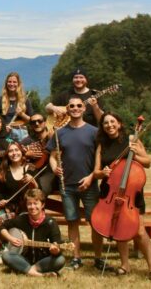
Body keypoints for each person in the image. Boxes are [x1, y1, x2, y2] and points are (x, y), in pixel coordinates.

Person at [93, 112, 151, 281]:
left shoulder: (131, 139)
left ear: (119, 123)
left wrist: (134, 153)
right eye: (105, 123)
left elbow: (147, 162)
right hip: (111, 191)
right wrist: (103, 172)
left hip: (130, 191)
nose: (109, 125)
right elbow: (97, 172)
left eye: (112, 122)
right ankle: (125, 265)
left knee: (139, 231)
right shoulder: (101, 144)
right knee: (118, 227)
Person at [46, 95, 105, 271]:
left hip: (89, 184)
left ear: (84, 108)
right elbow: (52, 156)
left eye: (79, 105)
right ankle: (76, 257)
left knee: (95, 222)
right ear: (68, 109)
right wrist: (55, 167)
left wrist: (92, 177)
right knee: (72, 221)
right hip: (67, 185)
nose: (76, 108)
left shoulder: (94, 132)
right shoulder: (59, 133)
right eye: (72, 106)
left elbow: (98, 157)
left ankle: (98, 257)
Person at [0, 189, 65, 277]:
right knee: (6, 255)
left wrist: (55, 251)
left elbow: (58, 245)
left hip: (43, 261)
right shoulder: (22, 219)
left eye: (35, 203)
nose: (32, 207)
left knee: (60, 260)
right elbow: (2, 227)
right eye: (29, 204)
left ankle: (27, 270)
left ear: (43, 205)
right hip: (24, 259)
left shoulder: (51, 223)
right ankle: (38, 274)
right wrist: (11, 238)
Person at [20, 113, 56, 196]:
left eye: (39, 121)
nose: (37, 124)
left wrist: (52, 139)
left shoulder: (54, 135)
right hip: (33, 171)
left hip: (50, 172)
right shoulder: (27, 140)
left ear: (45, 122)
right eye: (33, 122)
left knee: (41, 190)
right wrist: (26, 154)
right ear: (31, 125)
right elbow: (15, 152)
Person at [0, 72, 33, 142]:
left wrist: (22, 114)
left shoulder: (25, 100)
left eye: (14, 82)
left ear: (18, 84)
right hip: (4, 133)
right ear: (6, 83)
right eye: (9, 82)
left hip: (21, 133)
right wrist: (3, 128)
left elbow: (31, 120)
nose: (12, 84)